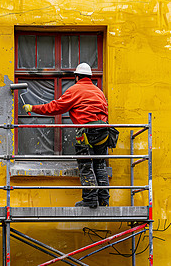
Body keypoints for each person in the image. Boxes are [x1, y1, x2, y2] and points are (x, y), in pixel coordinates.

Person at [23, 62, 110, 208]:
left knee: (86, 166)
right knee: (99, 165)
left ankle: (90, 200)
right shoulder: (98, 92)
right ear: (90, 77)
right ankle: (103, 200)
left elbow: (54, 108)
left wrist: (33, 107)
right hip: (103, 133)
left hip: (86, 133)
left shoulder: (75, 90)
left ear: (77, 77)